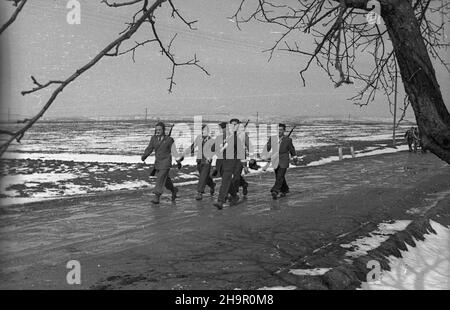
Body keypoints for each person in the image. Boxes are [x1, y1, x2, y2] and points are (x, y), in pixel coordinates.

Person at [213, 119, 248, 210]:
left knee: (225, 181)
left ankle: (221, 201)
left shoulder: (236, 137)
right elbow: (213, 148)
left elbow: (241, 151)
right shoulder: (221, 137)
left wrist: (244, 165)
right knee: (228, 181)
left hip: (232, 162)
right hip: (221, 163)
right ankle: (234, 195)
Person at [141, 121, 179, 204]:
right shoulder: (153, 138)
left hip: (166, 163)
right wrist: (144, 156)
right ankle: (173, 190)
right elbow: (149, 148)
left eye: (159, 129)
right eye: (156, 129)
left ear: (163, 130)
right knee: (165, 181)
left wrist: (178, 161)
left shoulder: (169, 140)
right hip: (158, 163)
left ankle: (156, 196)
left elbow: (174, 151)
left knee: (160, 178)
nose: (157, 131)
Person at [264, 123, 298, 200]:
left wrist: (294, 157)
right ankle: (285, 189)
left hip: (284, 159)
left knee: (280, 176)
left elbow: (292, 149)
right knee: (279, 176)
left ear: (284, 130)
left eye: (281, 130)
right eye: (278, 130)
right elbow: (268, 147)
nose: (279, 131)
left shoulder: (288, 140)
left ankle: (275, 191)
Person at [183, 124, 216, 200]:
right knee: (205, 177)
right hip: (199, 161)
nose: (204, 132)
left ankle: (199, 193)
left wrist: (210, 157)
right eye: (203, 130)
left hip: (207, 161)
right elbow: (192, 146)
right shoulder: (198, 138)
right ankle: (212, 185)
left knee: (202, 177)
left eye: (206, 130)